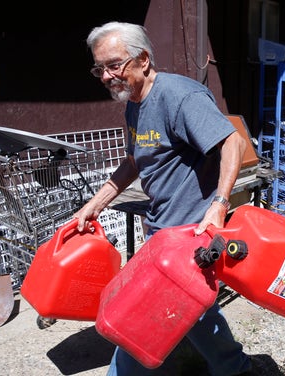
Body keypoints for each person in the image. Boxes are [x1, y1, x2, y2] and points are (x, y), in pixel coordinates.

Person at [74, 22, 252, 375]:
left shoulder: (179, 96)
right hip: (161, 230)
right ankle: (235, 367)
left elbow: (234, 142)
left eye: (114, 65)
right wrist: (96, 203)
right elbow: (135, 161)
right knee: (197, 311)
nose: (107, 76)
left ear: (142, 58)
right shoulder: (134, 103)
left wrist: (219, 204)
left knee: (141, 313)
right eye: (100, 68)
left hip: (190, 232)